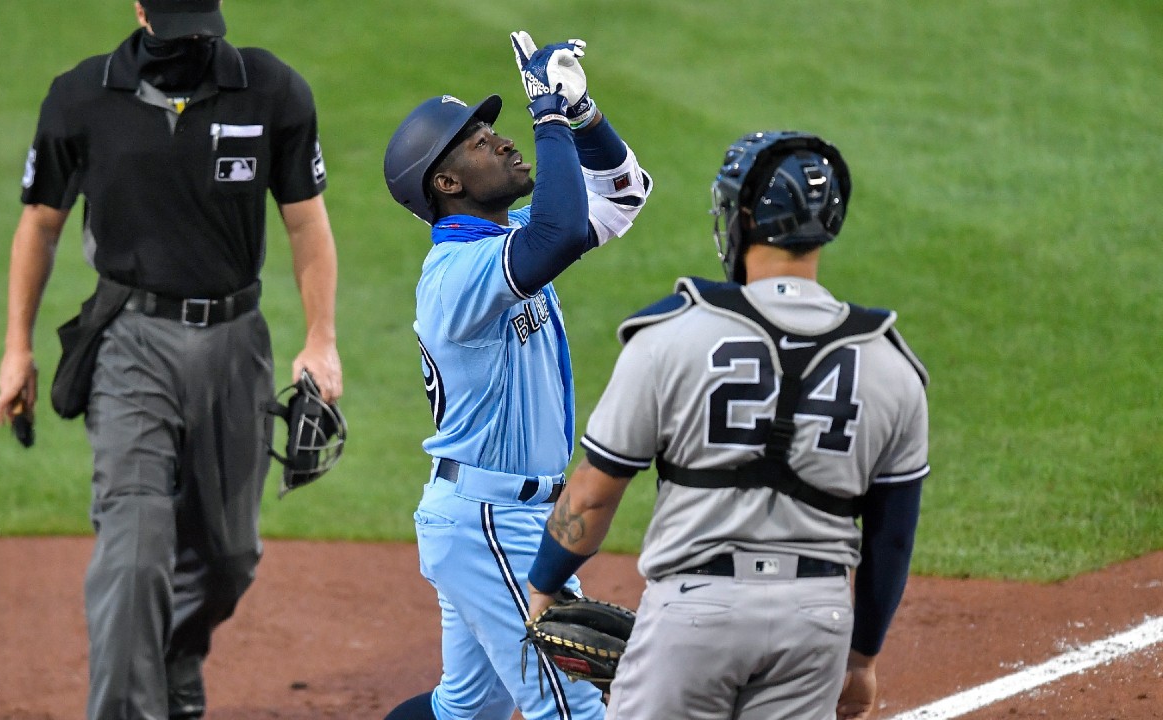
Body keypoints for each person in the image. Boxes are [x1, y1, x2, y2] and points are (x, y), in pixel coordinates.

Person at [0, 1, 343, 718]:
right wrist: (16, 348)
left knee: (228, 558)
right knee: (135, 546)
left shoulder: (272, 90)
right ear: (141, 8)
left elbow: (306, 221)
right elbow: (41, 226)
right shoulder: (82, 96)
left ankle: (176, 657)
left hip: (236, 343)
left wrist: (321, 339)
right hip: (130, 343)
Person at [527, 131, 930, 720]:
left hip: (695, 614)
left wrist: (544, 583)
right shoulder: (892, 364)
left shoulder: (670, 336)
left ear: (743, 216)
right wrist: (862, 659)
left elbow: (592, 493)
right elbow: (891, 538)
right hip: (814, 622)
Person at [379, 31, 652, 720]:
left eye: (495, 130)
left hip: (499, 514)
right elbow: (558, 234)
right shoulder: (457, 276)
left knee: (464, 711)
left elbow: (623, 197)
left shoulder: (504, 244)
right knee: (574, 709)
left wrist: (582, 113)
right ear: (445, 184)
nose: (501, 142)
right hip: (492, 520)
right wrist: (547, 113)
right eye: (477, 141)